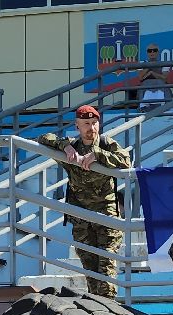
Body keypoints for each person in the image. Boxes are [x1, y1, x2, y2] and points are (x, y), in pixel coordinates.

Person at [39, 105, 132, 299]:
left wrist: (98, 155)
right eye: (86, 124)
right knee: (91, 273)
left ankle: (110, 313)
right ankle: (98, 311)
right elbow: (43, 138)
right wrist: (65, 146)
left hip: (107, 217)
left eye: (95, 123)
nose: (92, 128)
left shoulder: (106, 144)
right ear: (77, 126)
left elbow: (126, 161)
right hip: (82, 220)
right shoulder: (71, 147)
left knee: (106, 271)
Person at [132, 44, 171, 110]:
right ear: (147, 52)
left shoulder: (164, 63)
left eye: (154, 50)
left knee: (159, 82)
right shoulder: (142, 63)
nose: (152, 52)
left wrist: (152, 73)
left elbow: (164, 78)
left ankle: (161, 105)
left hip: (160, 85)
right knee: (147, 83)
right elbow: (141, 78)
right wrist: (149, 66)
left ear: (158, 52)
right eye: (150, 51)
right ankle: (144, 106)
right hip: (146, 86)